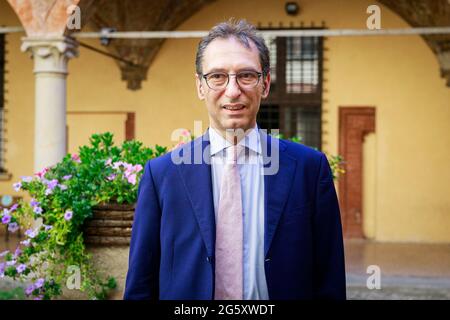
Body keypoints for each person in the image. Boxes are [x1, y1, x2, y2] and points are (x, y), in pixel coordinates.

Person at [124, 19, 346, 300]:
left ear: (265, 84)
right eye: (217, 76)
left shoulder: (309, 170)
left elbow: (330, 279)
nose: (232, 90)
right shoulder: (163, 175)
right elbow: (141, 283)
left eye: (246, 75)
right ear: (200, 86)